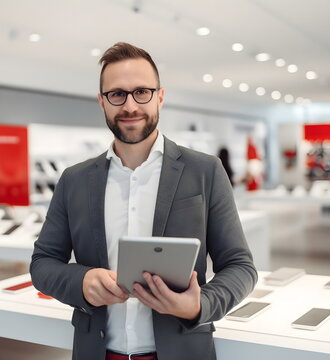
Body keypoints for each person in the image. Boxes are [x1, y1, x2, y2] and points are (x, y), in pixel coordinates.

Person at [30, 42, 257, 360]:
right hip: (97, 351)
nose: (130, 106)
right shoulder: (74, 180)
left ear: (160, 96)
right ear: (102, 102)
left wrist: (199, 305)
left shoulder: (204, 171)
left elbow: (240, 266)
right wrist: (82, 281)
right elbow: (42, 263)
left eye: (142, 92)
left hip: (182, 348)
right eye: (117, 94)